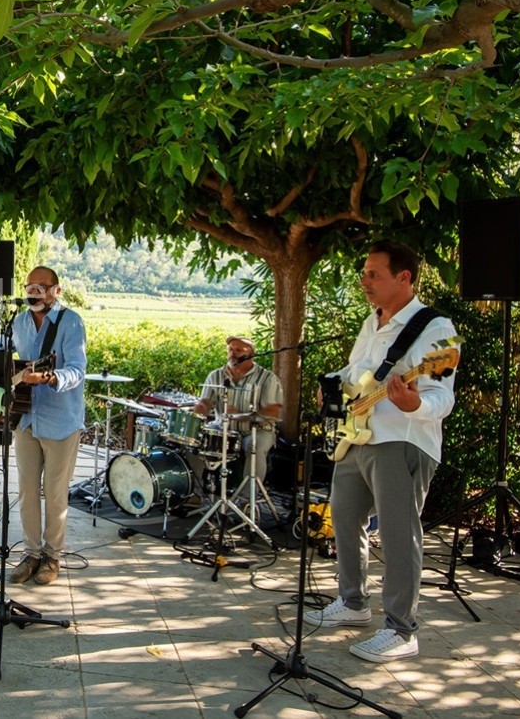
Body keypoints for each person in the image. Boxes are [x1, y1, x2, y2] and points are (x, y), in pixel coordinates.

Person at [303, 239, 458, 664]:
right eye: (365, 273)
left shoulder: (437, 329)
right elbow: (359, 371)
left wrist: (414, 404)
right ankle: (353, 603)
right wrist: (335, 381)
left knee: (397, 534)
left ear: (403, 278)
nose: (364, 281)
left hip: (402, 441)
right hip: (359, 435)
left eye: (374, 274)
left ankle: (401, 630)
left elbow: (441, 397)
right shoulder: (373, 320)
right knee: (344, 518)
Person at [0, 266, 87, 587]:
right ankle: (30, 553)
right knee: (27, 491)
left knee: (56, 494)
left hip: (61, 420)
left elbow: (76, 369)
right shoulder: (18, 322)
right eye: (30, 286)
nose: (33, 292)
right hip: (26, 416)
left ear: (56, 291)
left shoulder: (70, 322)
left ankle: (52, 556)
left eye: (41, 287)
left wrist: (49, 376)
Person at [192, 335, 283, 479]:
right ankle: (200, 494)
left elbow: (273, 411)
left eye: (239, 350)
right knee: (194, 443)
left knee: (254, 447)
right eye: (230, 349)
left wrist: (242, 415)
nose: (233, 353)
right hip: (223, 429)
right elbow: (206, 402)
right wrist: (200, 409)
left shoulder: (267, 378)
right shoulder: (216, 375)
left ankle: (247, 498)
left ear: (251, 354)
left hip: (256, 430)